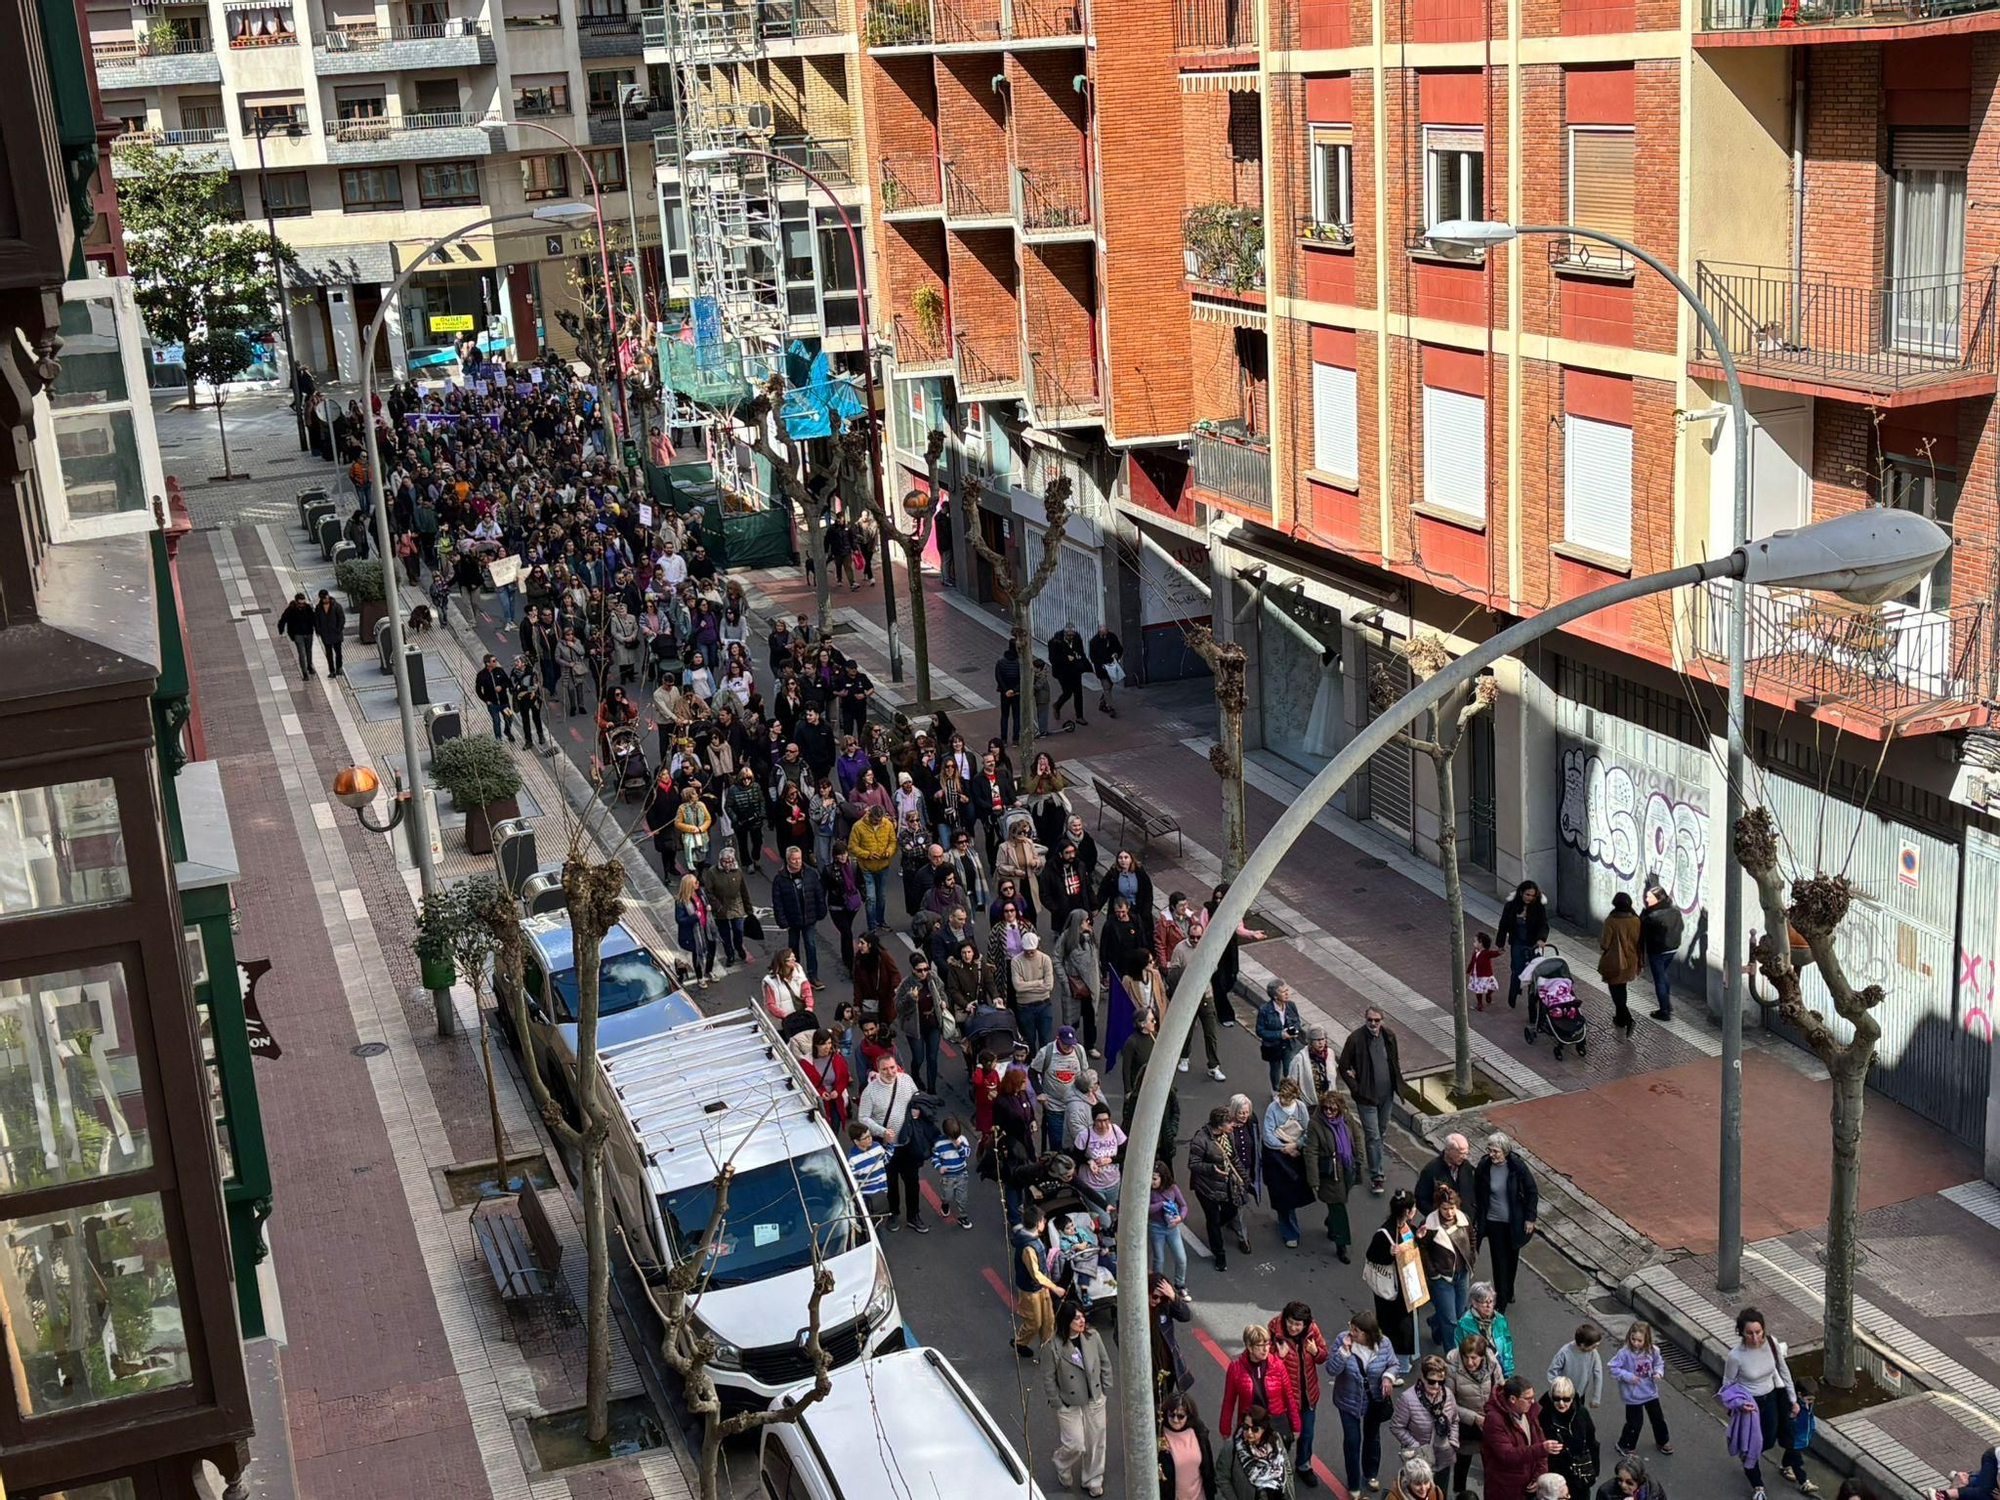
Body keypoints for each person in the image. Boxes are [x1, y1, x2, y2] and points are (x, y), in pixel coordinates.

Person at [1722, 1306, 1804, 1500]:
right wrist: (1739, 1404)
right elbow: (1727, 1385)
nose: (1755, 1338)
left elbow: (1784, 1372)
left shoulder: (1772, 1344)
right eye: (1749, 1333)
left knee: (1769, 1439)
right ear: (1741, 1332)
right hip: (1750, 1405)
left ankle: (1750, 1457)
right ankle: (1757, 1484)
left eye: (1758, 1332)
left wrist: (1793, 1399)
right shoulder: (1736, 1356)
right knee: (1752, 1445)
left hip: (1771, 1398)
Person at [1328, 1309, 1398, 1496]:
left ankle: (1370, 1474)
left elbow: (1393, 1363)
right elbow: (1331, 1369)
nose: (1351, 1333)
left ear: (1368, 1334)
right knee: (1352, 1441)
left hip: (1374, 1400)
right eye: (1351, 1328)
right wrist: (1343, 1351)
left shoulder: (1384, 1344)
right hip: (1347, 1400)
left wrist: (1388, 1377)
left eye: (1356, 1331)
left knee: (1372, 1438)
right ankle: (1353, 1484)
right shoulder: (1342, 1340)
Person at [1047, 1299, 1114, 1497]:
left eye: (1082, 1316)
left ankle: (1093, 1478)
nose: (1081, 1320)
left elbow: (1104, 1362)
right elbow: (1048, 1378)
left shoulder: (1093, 1337)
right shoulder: (1054, 1346)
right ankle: (1061, 1462)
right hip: (1069, 1403)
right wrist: (1057, 1402)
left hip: (1094, 1397)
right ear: (1066, 1320)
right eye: (1076, 1318)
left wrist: (1104, 1390)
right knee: (1075, 1443)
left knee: (1096, 1441)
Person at [857, 1053, 928, 1233]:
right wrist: (881, 1132)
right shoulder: (870, 1091)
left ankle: (914, 1216)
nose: (890, 1072)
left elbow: (917, 1097)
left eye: (892, 1067)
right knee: (890, 1182)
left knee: (912, 1181)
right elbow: (863, 1117)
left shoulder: (906, 1080)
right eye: (885, 1069)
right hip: (885, 1146)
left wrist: (917, 1109)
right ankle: (893, 1213)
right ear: (878, 1070)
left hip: (908, 1142)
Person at [1338, 1007, 1404, 1196]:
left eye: (1376, 1020)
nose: (1373, 1024)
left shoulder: (1389, 1036)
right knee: (1373, 1135)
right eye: (1370, 1020)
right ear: (1365, 1019)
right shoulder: (1355, 1039)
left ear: (1382, 1020)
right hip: (1366, 1097)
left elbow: (1394, 1060)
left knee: (1381, 1132)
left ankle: (1374, 1161)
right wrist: (1356, 1087)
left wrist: (1396, 1084)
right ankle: (1377, 1176)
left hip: (1387, 1095)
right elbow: (1343, 1066)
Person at [1472, 1132, 1538, 1313]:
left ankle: (1508, 1290)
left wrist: (1530, 1218)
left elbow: (1532, 1191)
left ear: (1505, 1152)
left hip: (1514, 1222)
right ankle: (1500, 1302)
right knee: (1499, 1261)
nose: (1492, 1154)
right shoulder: (1484, 1166)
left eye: (1496, 1151)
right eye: (1490, 1150)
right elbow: (1477, 1190)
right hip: (1493, 1222)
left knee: (1512, 1259)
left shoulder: (1517, 1167)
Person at [1270, 1302, 1330, 1486]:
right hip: (1284, 1398)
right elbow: (1266, 1366)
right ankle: (1278, 1469)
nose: (1294, 1328)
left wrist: (1315, 1351)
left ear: (1305, 1324)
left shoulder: (1312, 1330)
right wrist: (1278, 1358)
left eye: (1298, 1324)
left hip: (1308, 1395)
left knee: (1307, 1435)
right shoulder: (1274, 1331)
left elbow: (1323, 1355)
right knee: (1282, 1438)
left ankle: (1303, 1465)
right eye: (1291, 1322)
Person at [1189, 1106, 1252, 1273]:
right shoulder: (1201, 1140)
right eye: (1230, 1122)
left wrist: (1245, 1178)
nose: (1233, 1125)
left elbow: (1233, 1158)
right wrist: (1212, 1169)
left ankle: (1217, 1225)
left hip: (1225, 1184)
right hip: (1206, 1188)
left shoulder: (1227, 1135)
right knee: (1213, 1219)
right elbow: (1193, 1164)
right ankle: (1219, 1254)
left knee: (1231, 1209)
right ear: (1219, 1124)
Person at [1365, 1190, 1420, 1371]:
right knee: (1396, 1326)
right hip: (1392, 1290)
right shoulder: (1385, 1233)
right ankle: (1396, 1363)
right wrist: (1389, 1254)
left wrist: (1419, 1237)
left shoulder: (1405, 1227)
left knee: (1402, 1324)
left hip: (1404, 1285)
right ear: (1407, 1211)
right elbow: (1371, 1255)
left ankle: (1400, 1360)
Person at [1300, 1087, 1357, 1262]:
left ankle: (1331, 1222)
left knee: (1339, 1202)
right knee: (1339, 1207)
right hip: (1331, 1175)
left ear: (1340, 1108)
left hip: (1347, 1168)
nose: (1328, 1112)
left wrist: (1360, 1159)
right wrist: (1314, 1180)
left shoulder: (1346, 1118)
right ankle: (1342, 1245)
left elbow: (1357, 1136)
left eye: (1332, 1109)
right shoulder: (1316, 1124)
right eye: (1325, 1108)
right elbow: (1311, 1152)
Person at [1419, 1185, 1475, 1354]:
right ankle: (1452, 1355)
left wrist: (1472, 1259)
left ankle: (1436, 1322)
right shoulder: (1429, 1224)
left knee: (1459, 1314)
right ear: (1438, 1207)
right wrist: (1433, 1273)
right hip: (1443, 1278)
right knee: (1451, 1320)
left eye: (1452, 1208)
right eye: (1445, 1209)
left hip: (1462, 1274)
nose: (1449, 1213)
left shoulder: (1464, 1219)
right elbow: (1423, 1249)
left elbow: (1472, 1238)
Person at [1391, 1354, 1460, 1490]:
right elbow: (1396, 1427)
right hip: (1419, 1461)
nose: (1436, 1386)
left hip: (1443, 1457)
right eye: (1431, 1381)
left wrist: (1453, 1442)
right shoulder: (1408, 1399)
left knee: (1440, 1494)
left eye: (1441, 1382)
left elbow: (1454, 1421)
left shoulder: (1448, 1395)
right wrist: (1416, 1447)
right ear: (1422, 1377)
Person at [1223, 1324, 1301, 1443]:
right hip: (1251, 1424)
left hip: (1275, 1423)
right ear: (1249, 1347)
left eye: (1267, 1344)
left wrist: (1296, 1426)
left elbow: (1289, 1396)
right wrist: (1225, 1429)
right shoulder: (1235, 1368)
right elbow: (1229, 1401)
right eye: (1260, 1346)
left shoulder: (1277, 1365)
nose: (1265, 1349)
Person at [1448, 1333, 1504, 1498]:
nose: (1469, 1362)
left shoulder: (1493, 1366)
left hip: (1490, 1423)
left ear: (1482, 1356)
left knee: (1491, 1463)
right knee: (1462, 1462)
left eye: (1474, 1358)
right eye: (1466, 1357)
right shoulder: (1452, 1370)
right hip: (1466, 1425)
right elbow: (1448, 1403)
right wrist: (1474, 1417)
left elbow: (1500, 1390)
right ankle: (1460, 1494)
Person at [1261, 1078, 1313, 1248]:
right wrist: (1285, 1147)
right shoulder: (1272, 1109)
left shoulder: (1301, 1108)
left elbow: (1308, 1131)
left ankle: (1288, 1225)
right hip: (1277, 1159)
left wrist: (1296, 1145)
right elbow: (1268, 1135)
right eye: (1282, 1098)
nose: (1283, 1102)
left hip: (1296, 1157)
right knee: (1283, 1197)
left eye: (1287, 1099)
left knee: (1295, 1194)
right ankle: (1290, 1232)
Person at [1609, 1321, 1672, 1458]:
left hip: (1649, 1391)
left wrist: (1658, 1373)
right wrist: (1628, 1376)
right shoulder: (1624, 1353)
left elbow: (1659, 1363)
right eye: (1633, 1339)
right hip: (1632, 1394)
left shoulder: (1653, 1351)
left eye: (1639, 1340)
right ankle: (1625, 1444)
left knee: (1658, 1418)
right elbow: (1613, 1368)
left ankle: (1662, 1441)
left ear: (1647, 1339)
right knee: (1635, 1423)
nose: (1636, 1343)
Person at [1482, 1376, 1551, 1500]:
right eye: (1527, 1398)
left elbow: (1541, 1444)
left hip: (1527, 1486)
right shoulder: (1494, 1420)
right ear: (1513, 1399)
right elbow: (1507, 1455)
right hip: (1504, 1489)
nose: (1533, 1402)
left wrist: (1539, 1475)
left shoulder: (1530, 1412)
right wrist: (1541, 1449)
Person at [1012, 1203, 1063, 1355]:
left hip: (1041, 1286)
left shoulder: (1031, 1238)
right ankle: (1019, 1342)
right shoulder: (1028, 1247)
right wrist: (1054, 1287)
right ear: (1037, 1224)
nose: (1044, 1222)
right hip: (1030, 1289)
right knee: (1034, 1322)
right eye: (1042, 1220)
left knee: (1048, 1320)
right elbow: (1035, 1273)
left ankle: (1047, 1350)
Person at [771, 846, 828, 983]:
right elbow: (777, 902)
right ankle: (794, 974)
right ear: (788, 860)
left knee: (811, 946)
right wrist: (782, 921)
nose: (797, 862)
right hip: (792, 920)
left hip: (809, 917)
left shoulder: (811, 873)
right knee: (793, 949)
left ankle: (813, 975)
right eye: (794, 859)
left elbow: (819, 893)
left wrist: (821, 911)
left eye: (799, 859)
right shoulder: (780, 879)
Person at [1540, 1376, 1600, 1500]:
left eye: (1566, 1399)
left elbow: (1591, 1442)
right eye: (1557, 1399)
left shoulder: (1581, 1413)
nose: (1561, 1403)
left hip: (1579, 1473)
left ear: (1572, 1398)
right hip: (1555, 1472)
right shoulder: (1543, 1416)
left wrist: (1594, 1470)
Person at [1217, 1406, 1295, 1500]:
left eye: (1255, 1429)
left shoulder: (1275, 1440)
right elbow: (1222, 1479)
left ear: (1264, 1429)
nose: (1249, 1433)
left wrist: (1291, 1493)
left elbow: (1286, 1467)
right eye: (1246, 1427)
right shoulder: (1232, 1448)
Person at [1497, 881, 1551, 1010]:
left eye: (1532, 895)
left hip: (1532, 944)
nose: (1530, 898)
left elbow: (1544, 925)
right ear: (1521, 892)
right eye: (1527, 894)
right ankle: (1514, 992)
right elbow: (1503, 925)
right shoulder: (1511, 906)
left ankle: (1532, 1002)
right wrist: (1500, 943)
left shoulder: (1538, 908)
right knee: (1517, 970)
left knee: (1534, 973)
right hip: (1517, 943)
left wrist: (1541, 939)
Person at [1159, 1392, 1218, 1500]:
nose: (1176, 1420)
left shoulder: (1198, 1431)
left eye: (1181, 1416)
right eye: (1171, 1415)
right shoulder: (1159, 1435)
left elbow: (1208, 1466)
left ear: (1188, 1415)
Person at [1598, 893, 1643, 1035]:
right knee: (1622, 987)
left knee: (1614, 990)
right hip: (1631, 960)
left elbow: (1605, 944)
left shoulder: (1611, 921)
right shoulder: (1636, 920)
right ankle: (1620, 1019)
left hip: (1615, 961)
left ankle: (1628, 1018)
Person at [1639, 885, 1684, 1021]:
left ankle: (1664, 1011)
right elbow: (1681, 927)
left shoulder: (1651, 916)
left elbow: (1641, 932)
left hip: (1658, 951)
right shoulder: (1675, 912)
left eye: (1649, 897)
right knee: (1663, 976)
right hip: (1672, 948)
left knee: (1659, 980)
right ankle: (1667, 1005)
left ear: (1658, 899)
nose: (1646, 899)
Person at [702, 846, 751, 968]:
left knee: (738, 931)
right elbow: (708, 891)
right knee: (725, 935)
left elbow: (743, 890)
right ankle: (730, 955)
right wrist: (717, 906)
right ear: (720, 860)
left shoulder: (738, 871)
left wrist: (748, 908)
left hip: (736, 906)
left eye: (730, 862)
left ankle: (739, 948)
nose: (727, 864)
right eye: (725, 862)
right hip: (721, 909)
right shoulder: (712, 872)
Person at [1455, 1283, 1516, 1378]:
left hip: (1499, 1369)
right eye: (1484, 1302)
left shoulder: (1500, 1319)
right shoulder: (1464, 1324)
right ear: (1474, 1303)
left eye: (1491, 1301)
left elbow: (1507, 1346)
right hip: (1478, 1373)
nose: (1488, 1306)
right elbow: (1459, 1351)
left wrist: (1508, 1371)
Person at [1013, 930, 1058, 1053]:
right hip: (1024, 1007)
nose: (1030, 952)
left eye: (1032, 949)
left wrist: (1026, 985)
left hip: (1044, 1005)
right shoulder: (1016, 961)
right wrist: (1039, 982)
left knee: (1046, 1040)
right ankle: (1032, 1066)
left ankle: (1044, 1067)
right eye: (1027, 950)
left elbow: (1049, 985)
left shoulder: (1045, 959)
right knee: (1029, 1041)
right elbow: (1018, 987)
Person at [1150, 1159, 1192, 1291]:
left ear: (1163, 1177)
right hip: (1156, 1227)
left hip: (1172, 1227)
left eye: (1155, 1179)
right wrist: (1162, 1205)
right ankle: (1157, 1286)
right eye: (1151, 1178)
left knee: (1181, 1258)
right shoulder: (1148, 1191)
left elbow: (1183, 1205)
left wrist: (1180, 1217)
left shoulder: (1172, 1188)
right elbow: (1145, 1209)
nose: (1152, 1182)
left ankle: (1180, 1285)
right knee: (1159, 1259)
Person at [1256, 980, 1305, 1091]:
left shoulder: (1291, 1005)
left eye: (1287, 990)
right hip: (1273, 1046)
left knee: (1289, 1068)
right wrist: (1280, 1034)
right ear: (1275, 996)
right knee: (1275, 1069)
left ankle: (1289, 1091)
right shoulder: (1265, 1010)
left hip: (1289, 1044)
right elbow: (1260, 1031)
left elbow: (1297, 1021)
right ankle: (1276, 1090)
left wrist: (1294, 1030)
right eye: (1283, 992)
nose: (1287, 994)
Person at [1416, 1133, 1477, 1219]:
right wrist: (1439, 1217)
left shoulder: (1466, 1166)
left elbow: (1471, 1193)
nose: (1465, 1157)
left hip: (1465, 1222)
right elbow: (1421, 1200)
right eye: (1461, 1153)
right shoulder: (1431, 1170)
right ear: (1448, 1151)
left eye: (1466, 1153)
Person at [1549, 1324, 1606, 1411]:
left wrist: (1596, 1397)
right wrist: (1558, 1390)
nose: (1596, 1348)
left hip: (1579, 1395)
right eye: (1594, 1346)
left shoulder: (1593, 1354)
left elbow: (1598, 1374)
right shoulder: (1565, 1352)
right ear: (1582, 1345)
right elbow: (1552, 1372)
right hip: (1563, 1396)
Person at [673, 873, 717, 982]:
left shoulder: (700, 893)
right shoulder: (681, 902)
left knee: (711, 950)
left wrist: (709, 907)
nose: (698, 883)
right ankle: (700, 977)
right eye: (695, 882)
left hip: (707, 928)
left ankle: (709, 970)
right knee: (697, 954)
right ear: (689, 885)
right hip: (694, 932)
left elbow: (707, 903)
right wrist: (694, 917)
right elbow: (680, 920)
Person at [846, 1118, 888, 1221]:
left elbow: (885, 1160)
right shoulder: (853, 1161)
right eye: (865, 1138)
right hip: (868, 1200)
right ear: (856, 1141)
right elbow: (853, 1185)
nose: (870, 1139)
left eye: (870, 1136)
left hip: (882, 1193)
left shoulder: (877, 1147)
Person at [1050, 624, 1091, 726]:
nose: (1071, 637)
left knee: (1078, 693)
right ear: (1064, 634)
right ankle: (1057, 705)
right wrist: (1066, 658)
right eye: (1069, 636)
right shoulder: (1055, 642)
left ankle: (1080, 716)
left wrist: (1088, 667)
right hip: (1062, 672)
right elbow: (1053, 659)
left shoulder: (1077, 638)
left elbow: (1081, 653)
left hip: (1075, 670)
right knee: (1067, 692)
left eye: (1072, 635)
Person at [762, 947, 812, 1024]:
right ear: (784, 962)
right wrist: (785, 1016)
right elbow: (770, 1004)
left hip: (800, 1017)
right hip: (782, 1022)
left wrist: (809, 1006)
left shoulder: (798, 970)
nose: (795, 960)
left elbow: (807, 991)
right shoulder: (770, 982)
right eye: (792, 958)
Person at [509, 654, 549, 750]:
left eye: (518, 662)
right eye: (515, 662)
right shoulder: (514, 673)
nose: (516, 664)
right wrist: (525, 689)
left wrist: (524, 689)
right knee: (525, 720)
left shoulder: (532, 672)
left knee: (536, 717)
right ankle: (528, 741)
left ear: (524, 663)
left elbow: (536, 686)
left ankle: (540, 735)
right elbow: (514, 687)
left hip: (534, 698)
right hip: (522, 700)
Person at [277, 591, 318, 681]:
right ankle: (304, 673)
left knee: (309, 651)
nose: (302, 605)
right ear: (296, 602)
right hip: (297, 634)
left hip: (308, 633)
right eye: (300, 603)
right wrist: (281, 630)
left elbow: (314, 619)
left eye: (303, 603)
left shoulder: (308, 608)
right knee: (302, 654)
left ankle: (309, 666)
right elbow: (283, 619)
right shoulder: (290, 610)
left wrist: (317, 629)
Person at [1088, 623, 1125, 717]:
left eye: (1106, 633)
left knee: (1110, 685)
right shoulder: (1094, 642)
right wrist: (1100, 665)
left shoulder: (1112, 637)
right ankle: (1110, 707)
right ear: (1099, 631)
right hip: (1102, 668)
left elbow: (1119, 648)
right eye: (1103, 633)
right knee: (1107, 687)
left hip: (1112, 666)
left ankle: (1102, 702)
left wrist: (1116, 654)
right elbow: (1093, 657)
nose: (1105, 635)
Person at [1597, 1455, 1670, 1500]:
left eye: (1629, 1483)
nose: (1623, 1485)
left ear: (1640, 1481)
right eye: (1620, 1480)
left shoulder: (1653, 1488)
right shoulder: (1606, 1492)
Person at [313, 590, 346, 678]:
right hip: (326, 634)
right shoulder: (319, 608)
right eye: (324, 599)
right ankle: (332, 670)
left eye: (326, 598)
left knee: (338, 652)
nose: (326, 600)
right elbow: (316, 620)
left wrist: (339, 629)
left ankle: (339, 667)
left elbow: (341, 618)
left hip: (336, 633)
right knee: (328, 653)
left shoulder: (336, 606)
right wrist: (319, 630)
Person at [997, 640, 1024, 745]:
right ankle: (1015, 738)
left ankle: (1003, 738)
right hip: (1016, 693)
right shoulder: (1020, 662)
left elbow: (998, 677)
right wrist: (1014, 690)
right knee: (1016, 716)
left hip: (1004, 693)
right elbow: (1022, 678)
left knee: (1004, 715)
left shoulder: (1001, 662)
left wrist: (1005, 690)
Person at [1467, 933, 1503, 1011]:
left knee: (1493, 986)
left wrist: (1499, 952)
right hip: (1477, 975)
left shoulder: (1486, 953)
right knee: (1478, 990)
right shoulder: (1476, 952)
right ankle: (1479, 1003)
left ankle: (1488, 993)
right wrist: (1469, 970)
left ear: (1481, 943)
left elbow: (1493, 954)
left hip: (1486, 974)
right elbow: (1472, 962)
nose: (1474, 943)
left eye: (1475, 941)